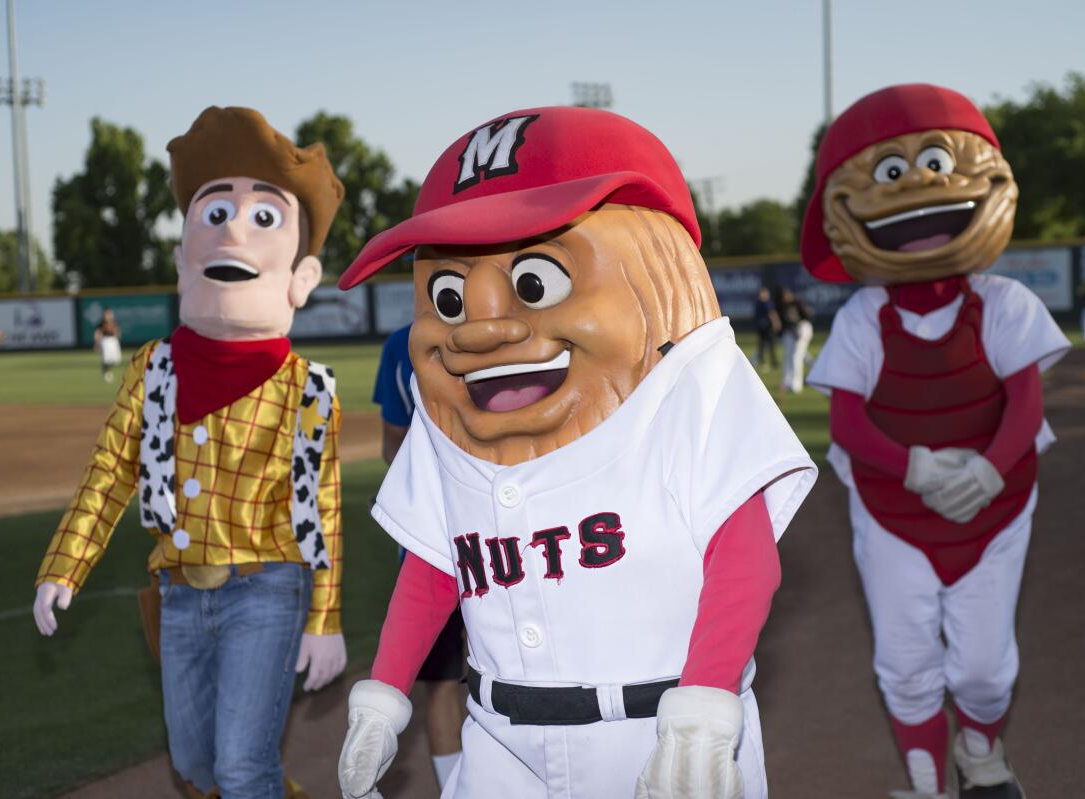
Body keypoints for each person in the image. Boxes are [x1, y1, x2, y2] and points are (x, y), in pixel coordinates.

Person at [336, 106, 816, 799]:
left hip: (660, 733)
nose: (482, 328)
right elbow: (437, 562)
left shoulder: (690, 385)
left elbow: (743, 554)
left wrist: (709, 700)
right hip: (498, 738)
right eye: (450, 296)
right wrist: (385, 688)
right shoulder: (449, 420)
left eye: (534, 281)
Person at [32, 107, 348, 799]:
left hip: (268, 585)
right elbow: (111, 471)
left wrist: (324, 619)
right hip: (179, 592)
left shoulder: (307, 389)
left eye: (264, 217)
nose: (234, 228)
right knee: (196, 765)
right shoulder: (153, 368)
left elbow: (320, 509)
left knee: (240, 766)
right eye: (216, 213)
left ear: (301, 278)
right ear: (182, 262)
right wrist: (65, 565)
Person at [801, 84, 1071, 799]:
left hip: (997, 504)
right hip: (893, 509)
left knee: (983, 666)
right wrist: (915, 466)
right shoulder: (863, 318)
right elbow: (848, 423)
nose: (919, 186)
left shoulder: (1007, 303)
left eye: (934, 166)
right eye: (893, 172)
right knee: (905, 656)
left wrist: (987, 469)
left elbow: (1025, 399)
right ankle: (925, 782)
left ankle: (981, 751)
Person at [371, 321, 467, 790]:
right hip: (520, 534)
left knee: (443, 684)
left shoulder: (401, 342)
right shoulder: (523, 322)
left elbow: (392, 443)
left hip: (433, 540)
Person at [778, 288, 813, 393]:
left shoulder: (797, 303)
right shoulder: (783, 306)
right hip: (793, 331)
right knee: (795, 356)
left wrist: (798, 330)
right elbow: (787, 323)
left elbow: (806, 316)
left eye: (786, 295)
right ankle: (788, 382)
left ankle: (796, 386)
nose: (785, 297)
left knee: (796, 357)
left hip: (802, 328)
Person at [752, 286, 781, 370]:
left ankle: (773, 362)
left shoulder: (767, 302)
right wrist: (776, 323)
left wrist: (775, 323)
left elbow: (772, 313)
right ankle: (763, 362)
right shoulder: (760, 302)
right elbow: (771, 314)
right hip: (762, 327)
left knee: (771, 345)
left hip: (767, 327)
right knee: (762, 345)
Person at [93, 307, 123, 382]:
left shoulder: (114, 322)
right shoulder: (102, 323)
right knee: (107, 359)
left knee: (117, 360)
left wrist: (117, 339)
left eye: (110, 313)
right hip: (105, 340)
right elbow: (98, 333)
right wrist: (97, 344)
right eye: (107, 314)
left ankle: (105, 368)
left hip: (113, 340)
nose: (108, 315)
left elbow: (117, 331)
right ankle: (105, 370)